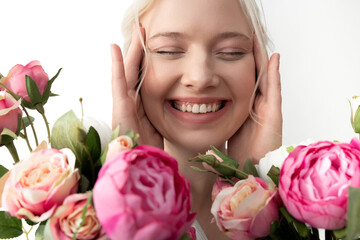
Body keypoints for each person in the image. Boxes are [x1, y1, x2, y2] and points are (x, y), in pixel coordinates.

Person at [111, 0, 282, 239]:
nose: (200, 78)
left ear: (258, 68)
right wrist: (135, 183)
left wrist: (257, 179)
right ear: (135, 67)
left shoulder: (313, 223)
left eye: (231, 51)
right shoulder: (81, 221)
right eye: (168, 50)